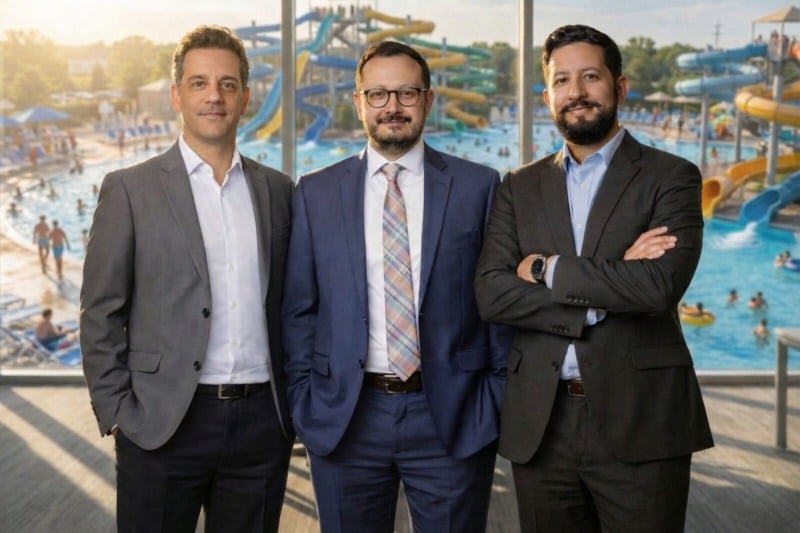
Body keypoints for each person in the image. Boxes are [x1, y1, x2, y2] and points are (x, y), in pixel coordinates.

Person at [474, 25, 713, 532]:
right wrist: (608, 287)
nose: (576, 92)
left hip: (642, 418)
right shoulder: (518, 185)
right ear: (547, 96)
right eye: (561, 80)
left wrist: (545, 268)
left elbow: (657, 287)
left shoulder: (671, 176)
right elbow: (492, 293)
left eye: (590, 76)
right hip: (541, 421)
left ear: (619, 86)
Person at [282, 41, 510, 532]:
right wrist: (305, 398)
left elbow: (497, 303)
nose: (392, 106)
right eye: (378, 94)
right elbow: (300, 309)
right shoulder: (315, 192)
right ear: (358, 102)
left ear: (428, 100)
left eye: (406, 92)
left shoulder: (479, 186)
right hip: (345, 416)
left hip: (453, 414)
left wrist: (493, 396)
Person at [80, 26, 294, 533]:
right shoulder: (129, 190)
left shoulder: (279, 191)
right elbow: (100, 311)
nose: (213, 96)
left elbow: (294, 304)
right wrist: (117, 410)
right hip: (160, 423)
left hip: (262, 427)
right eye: (199, 83)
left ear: (245, 97)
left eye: (227, 84)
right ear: (177, 95)